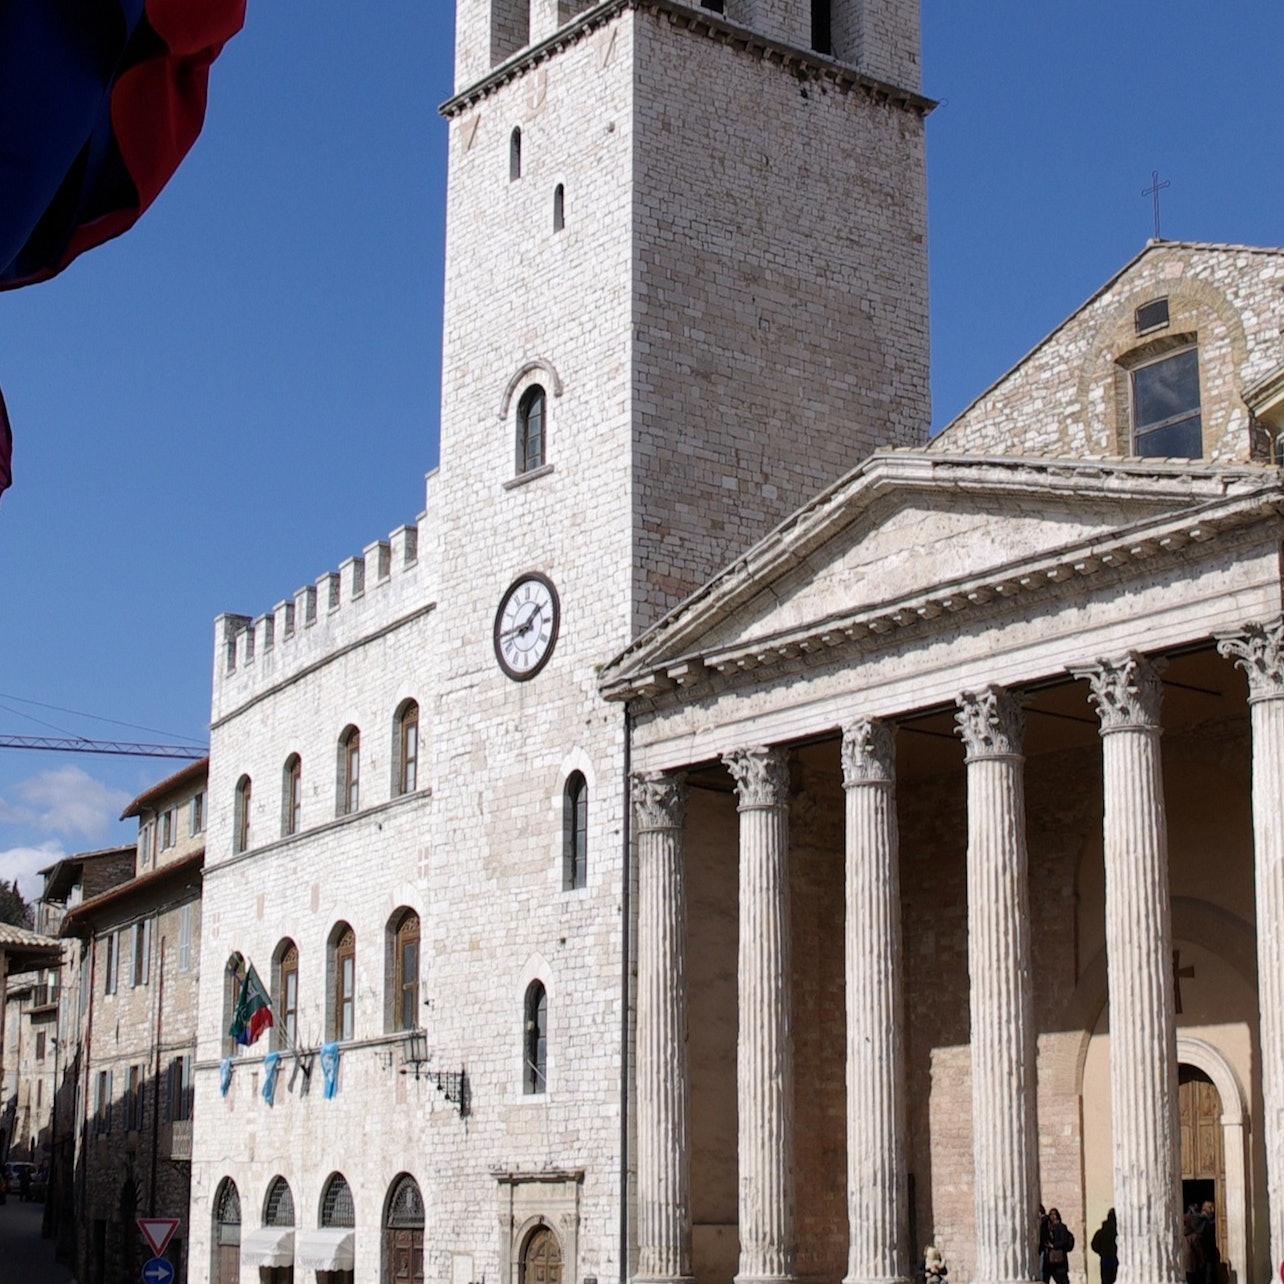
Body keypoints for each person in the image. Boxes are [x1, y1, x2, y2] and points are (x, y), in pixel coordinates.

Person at [1041, 1206, 1075, 1284]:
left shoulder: (1062, 1227)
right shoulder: (1047, 1228)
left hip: (1059, 1261)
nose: (1052, 1216)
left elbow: (1064, 1240)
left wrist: (1054, 1245)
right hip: (1049, 1260)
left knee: (1062, 1281)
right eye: (1051, 1215)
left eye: (1054, 1214)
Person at [1091, 1208, 1118, 1284]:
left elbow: (1094, 1245)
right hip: (1116, 1260)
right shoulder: (1118, 1232)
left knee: (1105, 1281)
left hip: (1105, 1260)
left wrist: (1101, 1252)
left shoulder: (1101, 1232)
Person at [1181, 1210, 1205, 1284]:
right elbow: (1198, 1249)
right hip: (1190, 1263)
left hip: (1181, 1263)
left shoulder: (1177, 1234)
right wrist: (1201, 1261)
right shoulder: (1193, 1235)